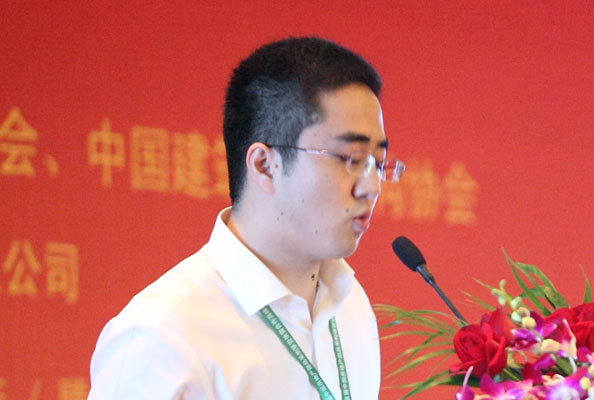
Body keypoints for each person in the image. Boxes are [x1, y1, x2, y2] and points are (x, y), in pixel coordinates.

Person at [88, 36, 405, 400]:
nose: (371, 187)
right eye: (350, 158)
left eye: (378, 163)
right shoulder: (163, 339)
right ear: (264, 165)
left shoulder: (351, 308)